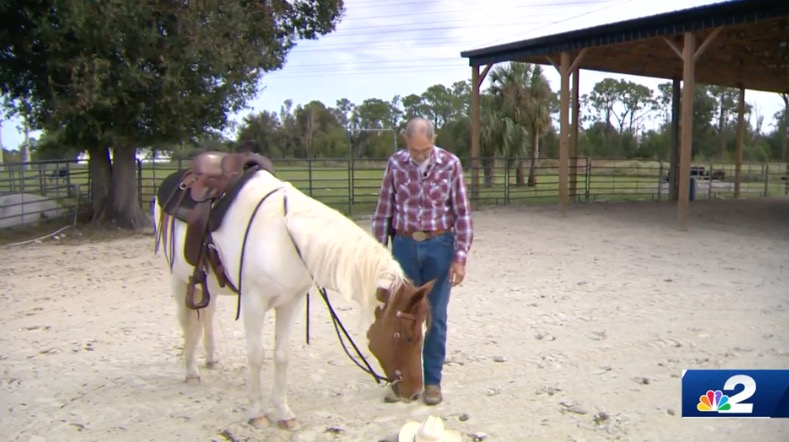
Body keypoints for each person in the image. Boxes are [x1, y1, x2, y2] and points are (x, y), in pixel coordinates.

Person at [371, 117, 474, 406]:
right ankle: (402, 379)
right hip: (403, 245)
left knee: (435, 316)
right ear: (406, 142)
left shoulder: (451, 164)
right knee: (400, 317)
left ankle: (432, 381)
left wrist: (459, 258)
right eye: (415, 151)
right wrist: (379, 254)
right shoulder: (395, 164)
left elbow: (462, 214)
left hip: (439, 245)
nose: (420, 156)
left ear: (434, 140)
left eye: (425, 150)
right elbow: (383, 210)